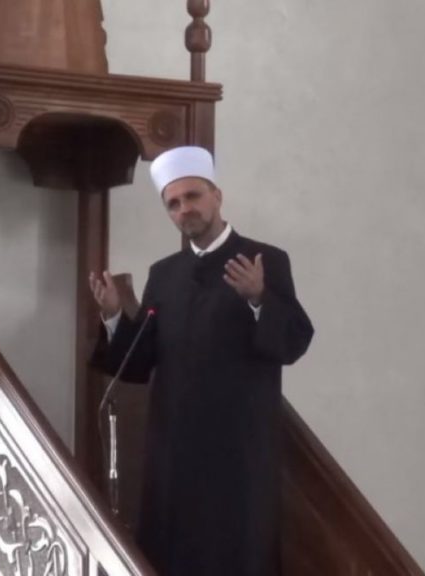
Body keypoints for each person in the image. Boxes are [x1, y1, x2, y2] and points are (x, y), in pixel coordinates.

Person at [89, 146, 314, 576]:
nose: (184, 209)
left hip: (238, 452)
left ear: (216, 196)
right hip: (174, 453)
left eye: (192, 196)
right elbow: (139, 363)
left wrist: (258, 298)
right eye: (173, 204)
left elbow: (293, 343)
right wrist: (115, 315)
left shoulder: (265, 260)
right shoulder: (164, 274)